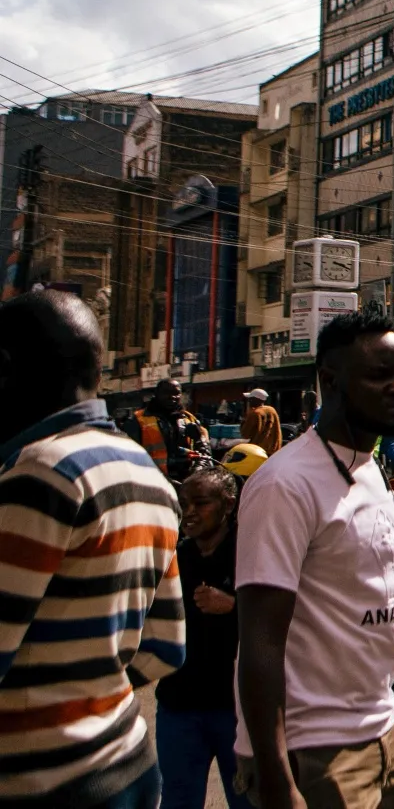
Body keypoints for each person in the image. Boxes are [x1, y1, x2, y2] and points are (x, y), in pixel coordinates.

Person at [0, 290, 184, 809]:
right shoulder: (146, 474)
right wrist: (86, 697)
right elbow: (167, 645)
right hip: (125, 765)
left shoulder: (41, 473)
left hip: (43, 783)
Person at [236, 303, 394, 809]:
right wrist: (274, 775)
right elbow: (260, 639)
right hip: (313, 748)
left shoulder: (371, 469)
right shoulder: (285, 485)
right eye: (380, 376)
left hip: (382, 728)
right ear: (330, 382)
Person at [157, 467, 249, 809]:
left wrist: (234, 607)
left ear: (228, 504)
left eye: (200, 502)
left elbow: (287, 618)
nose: (190, 511)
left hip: (236, 712)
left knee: (248, 800)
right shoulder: (172, 556)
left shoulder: (251, 554)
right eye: (185, 503)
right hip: (178, 707)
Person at [126, 376, 209, 482]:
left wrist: (196, 472)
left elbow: (205, 453)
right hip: (152, 483)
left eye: (176, 393)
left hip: (185, 484)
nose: (172, 397)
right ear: (156, 394)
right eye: (166, 393)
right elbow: (130, 457)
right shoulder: (138, 420)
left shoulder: (190, 419)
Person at [242, 387, 283, 454]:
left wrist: (244, 420)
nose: (248, 401)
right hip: (273, 449)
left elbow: (245, 434)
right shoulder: (272, 410)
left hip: (257, 450)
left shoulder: (254, 413)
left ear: (255, 400)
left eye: (250, 399)